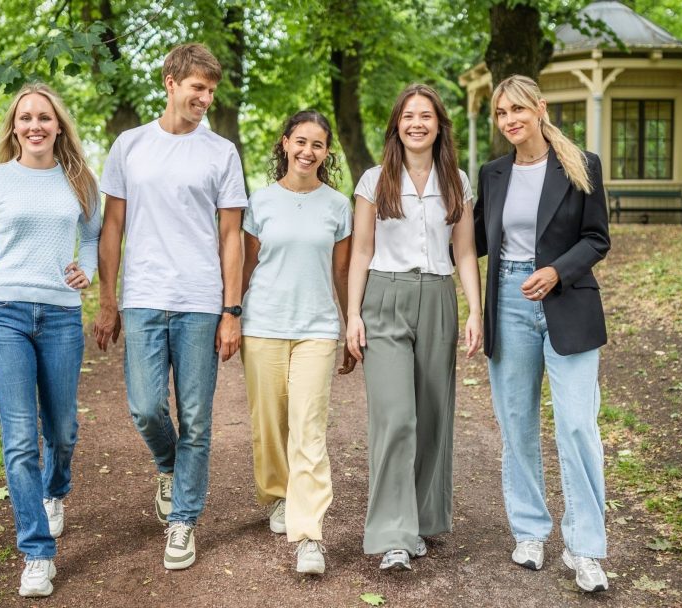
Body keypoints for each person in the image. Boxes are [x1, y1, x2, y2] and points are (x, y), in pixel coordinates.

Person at [92, 43, 248, 571]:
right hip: (142, 297)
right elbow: (111, 228)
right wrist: (107, 299)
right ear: (170, 82)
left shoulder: (221, 153)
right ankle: (169, 464)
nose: (204, 98)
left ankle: (183, 520)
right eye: (196, 87)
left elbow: (232, 237)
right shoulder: (130, 146)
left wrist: (232, 310)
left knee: (198, 418)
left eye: (211, 90)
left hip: (201, 303)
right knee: (145, 406)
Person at [0, 83, 100, 597]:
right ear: (13, 127)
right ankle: (37, 553)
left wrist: (87, 270)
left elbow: (93, 237)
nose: (35, 125)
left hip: (61, 316)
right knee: (20, 439)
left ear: (59, 125)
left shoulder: (80, 179)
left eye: (44, 117)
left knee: (61, 429)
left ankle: (54, 492)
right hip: (2, 315)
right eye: (25, 118)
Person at [474, 74, 611, 593]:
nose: (510, 120)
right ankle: (530, 530)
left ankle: (586, 548)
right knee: (517, 424)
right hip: (508, 301)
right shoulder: (492, 173)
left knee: (577, 425)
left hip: (567, 302)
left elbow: (598, 238)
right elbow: (474, 241)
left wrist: (558, 270)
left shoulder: (581, 164)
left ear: (539, 108)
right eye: (501, 112)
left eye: (518, 109)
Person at [346, 83, 483, 572]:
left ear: (439, 125)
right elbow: (361, 251)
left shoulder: (458, 181)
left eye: (426, 115)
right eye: (408, 116)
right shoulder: (373, 180)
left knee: (432, 416)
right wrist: (352, 314)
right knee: (397, 416)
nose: (417, 123)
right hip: (385, 296)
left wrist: (475, 312)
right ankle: (392, 534)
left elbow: (464, 252)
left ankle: (422, 520)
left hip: (439, 298)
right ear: (397, 125)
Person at [239, 110, 354, 575]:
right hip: (262, 325)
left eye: (318, 145)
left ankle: (309, 534)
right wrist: (229, 317)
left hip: (317, 330)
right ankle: (278, 494)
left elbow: (342, 272)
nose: (308, 151)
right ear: (285, 143)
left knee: (309, 429)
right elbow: (244, 268)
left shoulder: (337, 206)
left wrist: (351, 325)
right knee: (268, 425)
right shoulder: (259, 202)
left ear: (327, 153)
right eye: (300, 142)